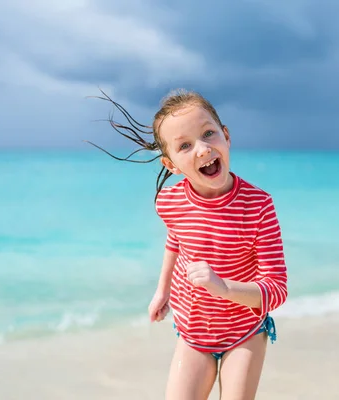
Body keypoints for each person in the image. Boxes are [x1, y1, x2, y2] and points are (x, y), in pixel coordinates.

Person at [87, 88, 288, 400]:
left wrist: (223, 288)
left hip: (244, 331)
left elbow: (276, 289)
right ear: (171, 165)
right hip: (194, 332)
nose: (202, 149)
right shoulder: (169, 202)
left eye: (208, 134)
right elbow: (176, 240)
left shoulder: (258, 205)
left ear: (226, 136)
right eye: (185, 145)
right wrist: (162, 290)